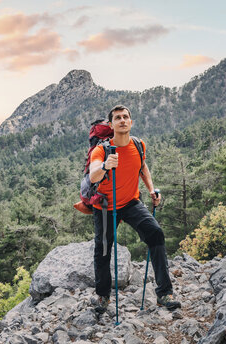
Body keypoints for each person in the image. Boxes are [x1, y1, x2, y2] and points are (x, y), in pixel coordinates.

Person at [89, 104, 181, 313]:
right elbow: (93, 174)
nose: (122, 120)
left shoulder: (138, 145)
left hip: (131, 202)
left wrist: (151, 189)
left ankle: (164, 293)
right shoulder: (102, 150)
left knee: (155, 234)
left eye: (125, 117)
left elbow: (142, 166)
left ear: (131, 122)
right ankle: (103, 296)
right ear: (111, 125)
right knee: (103, 249)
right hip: (105, 205)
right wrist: (105, 166)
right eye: (117, 118)